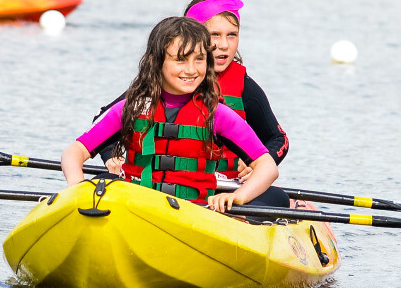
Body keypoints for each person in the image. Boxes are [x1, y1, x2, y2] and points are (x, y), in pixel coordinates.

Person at [61, 16, 283, 212]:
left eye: (199, 59)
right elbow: (74, 152)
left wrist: (237, 197)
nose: (191, 69)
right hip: (135, 207)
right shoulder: (132, 107)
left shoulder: (219, 116)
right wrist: (76, 185)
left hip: (193, 213)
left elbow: (267, 168)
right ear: (156, 62)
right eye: (180, 59)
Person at [97, 0, 288, 184]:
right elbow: (104, 121)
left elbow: (278, 139)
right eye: (214, 35)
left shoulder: (243, 86)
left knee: (275, 197)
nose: (224, 45)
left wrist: (256, 166)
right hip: (153, 183)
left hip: (224, 188)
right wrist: (111, 158)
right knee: (101, 181)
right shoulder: (161, 82)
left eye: (232, 35)